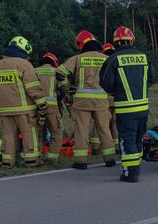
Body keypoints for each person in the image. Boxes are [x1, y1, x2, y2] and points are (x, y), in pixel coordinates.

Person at [100, 26, 154, 183]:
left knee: (127, 140)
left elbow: (106, 83)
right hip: (143, 109)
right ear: (132, 40)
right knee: (137, 139)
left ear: (116, 43)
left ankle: (131, 173)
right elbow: (151, 79)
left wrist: (116, 91)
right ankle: (135, 167)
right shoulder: (144, 57)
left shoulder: (113, 59)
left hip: (125, 109)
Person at [57, 30, 116, 170]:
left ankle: (81, 161)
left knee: (82, 130)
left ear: (83, 45)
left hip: (82, 102)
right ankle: (110, 159)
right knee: (104, 129)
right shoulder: (106, 59)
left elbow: (59, 72)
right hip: (102, 101)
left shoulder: (78, 58)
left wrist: (67, 88)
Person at [0, 36, 48, 168]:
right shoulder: (24, 65)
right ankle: (32, 161)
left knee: (8, 137)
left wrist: (0, 108)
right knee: (29, 135)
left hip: (5, 112)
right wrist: (43, 106)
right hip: (25, 111)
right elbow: (33, 88)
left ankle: (8, 162)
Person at [91, 43, 119, 154]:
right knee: (115, 123)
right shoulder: (115, 61)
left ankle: (95, 147)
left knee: (100, 122)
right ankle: (116, 147)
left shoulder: (101, 62)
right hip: (116, 98)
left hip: (103, 98)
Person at [35, 52, 64, 162]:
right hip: (52, 108)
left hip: (37, 108)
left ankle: (38, 156)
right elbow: (64, 88)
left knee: (39, 133)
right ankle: (52, 158)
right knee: (56, 132)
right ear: (54, 62)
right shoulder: (56, 72)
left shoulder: (33, 71)